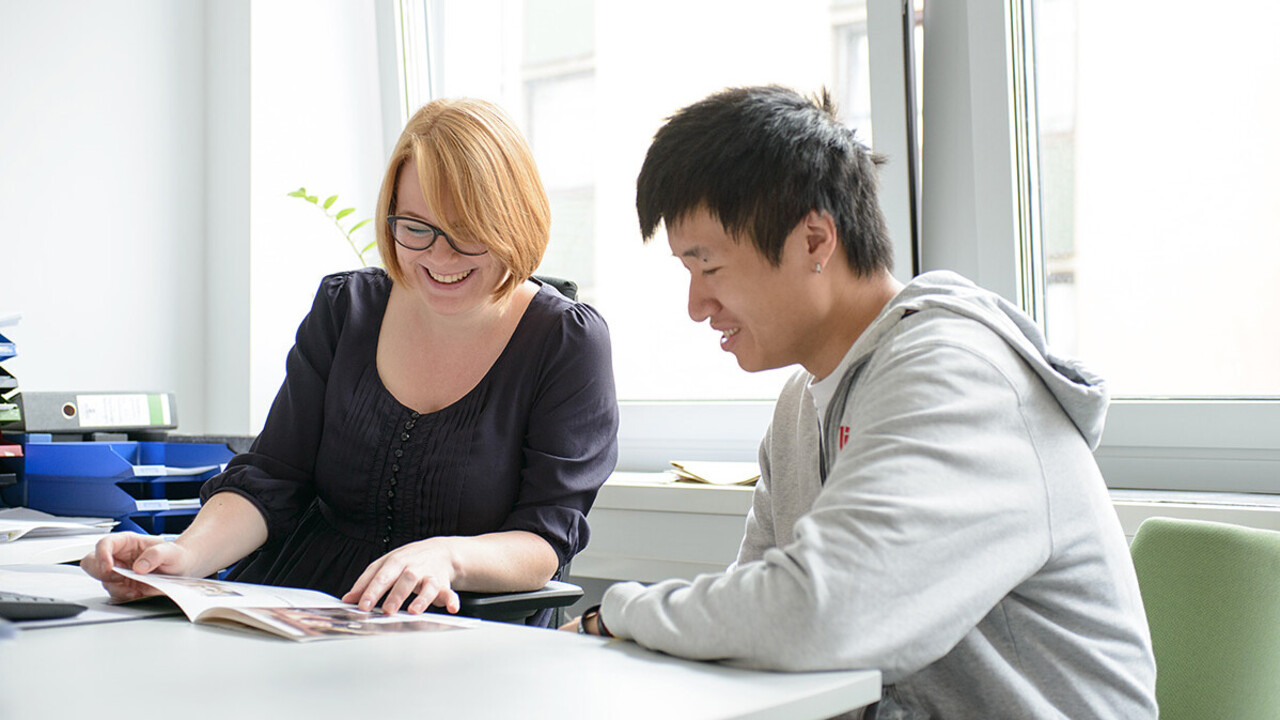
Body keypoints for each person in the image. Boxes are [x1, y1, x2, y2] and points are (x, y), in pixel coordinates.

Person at [564, 85, 1157, 718]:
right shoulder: (800, 407)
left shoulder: (955, 374)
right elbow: (754, 623)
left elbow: (820, 619)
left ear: (816, 240)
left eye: (708, 267)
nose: (696, 305)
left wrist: (617, 613)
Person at [83, 98, 619, 627]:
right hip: (295, 607)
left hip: (457, 629)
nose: (439, 257)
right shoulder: (347, 309)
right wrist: (183, 556)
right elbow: (272, 478)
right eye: (415, 227)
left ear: (513, 221)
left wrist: (447, 557)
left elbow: (546, 537)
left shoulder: (566, 341)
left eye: (467, 232)